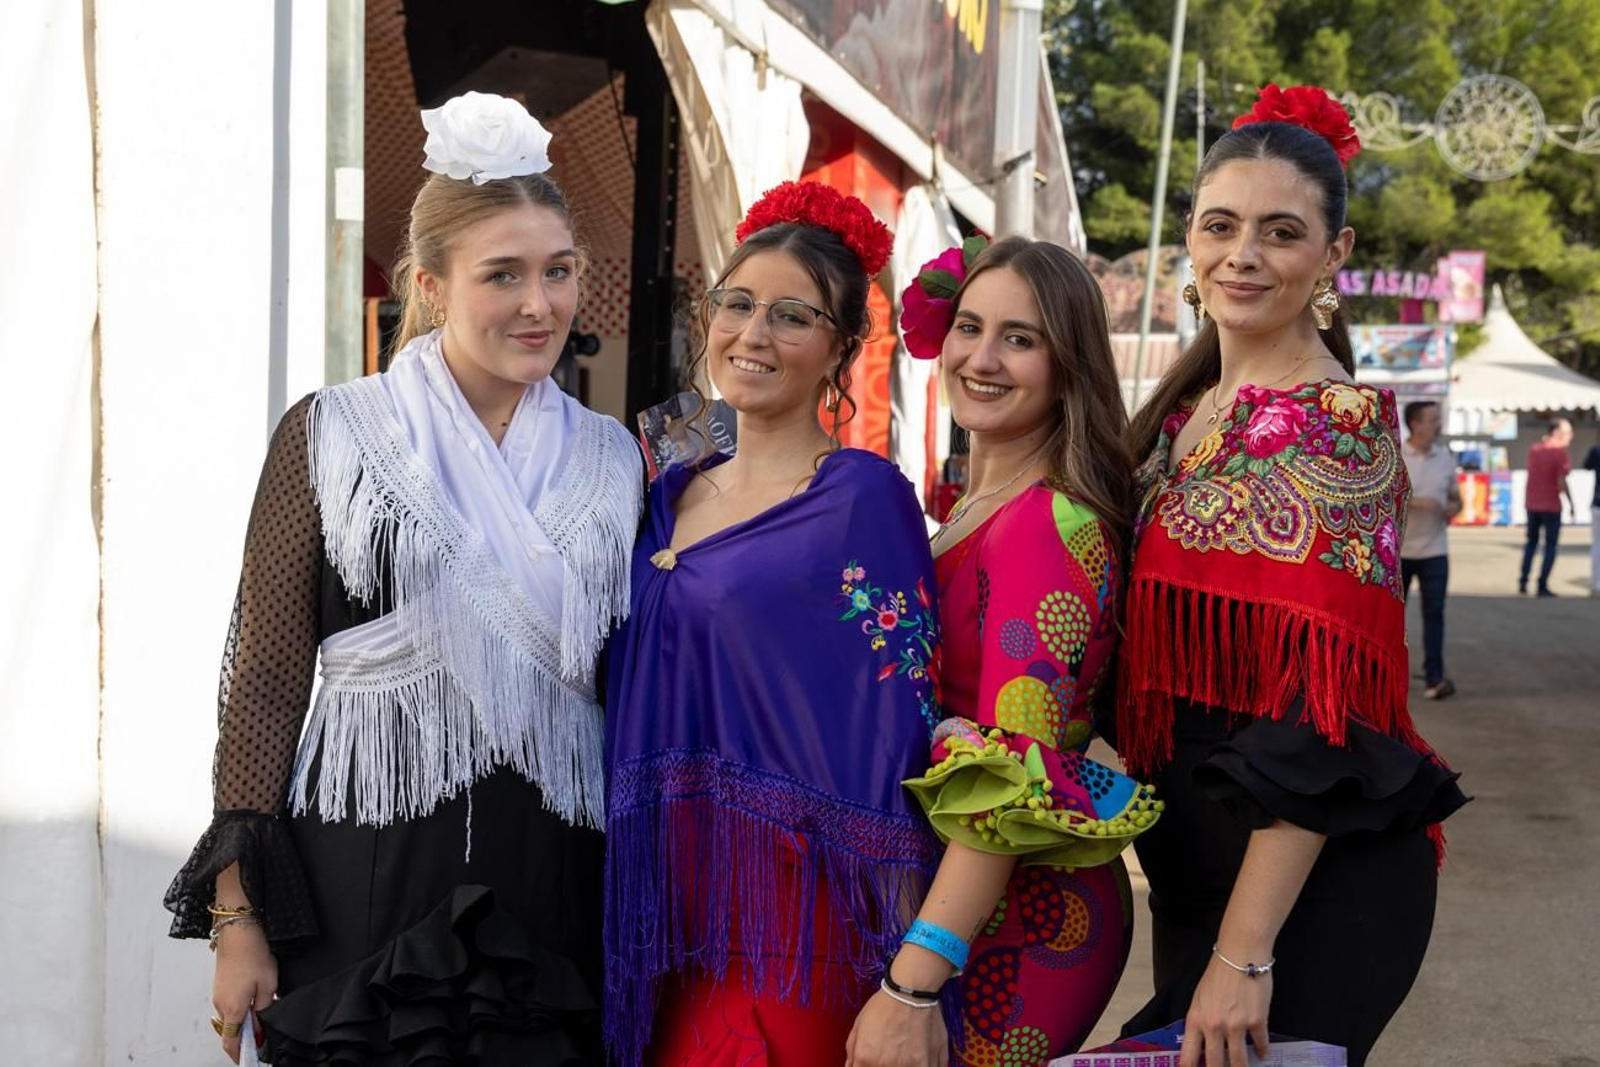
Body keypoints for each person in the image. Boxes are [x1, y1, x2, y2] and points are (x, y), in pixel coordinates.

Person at [163, 93, 644, 1065]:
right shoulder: (329, 433)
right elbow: (262, 681)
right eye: (501, 274)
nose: (539, 304)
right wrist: (238, 920)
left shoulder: (614, 458)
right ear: (431, 282)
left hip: (551, 892)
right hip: (360, 893)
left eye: (558, 272)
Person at [1115, 86, 1467, 1067]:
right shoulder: (1185, 415)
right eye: (1221, 225)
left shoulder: (1336, 423)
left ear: (1333, 255)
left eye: (1280, 231)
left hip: (1303, 896)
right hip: (1201, 880)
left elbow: (1320, 710)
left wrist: (1244, 949)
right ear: (1188, 236)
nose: (1243, 254)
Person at [603, 181, 950, 1067]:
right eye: (739, 305)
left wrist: (912, 972)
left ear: (840, 349)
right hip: (657, 892)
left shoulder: (862, 497)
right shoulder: (665, 479)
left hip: (791, 909)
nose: (754, 335)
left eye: (792, 317)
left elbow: (895, 722)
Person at [897, 236, 1159, 1065]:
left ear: (1068, 360)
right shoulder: (980, 508)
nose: (982, 356)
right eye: (970, 327)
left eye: (1020, 337)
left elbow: (1012, 784)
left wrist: (912, 982)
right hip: (969, 901)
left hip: (1023, 918)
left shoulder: (1047, 525)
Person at [1399, 401, 1462, 699]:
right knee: (1392, 618)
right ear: (1415, 423)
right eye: (1433, 419)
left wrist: (1452, 507)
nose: (1439, 424)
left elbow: (1456, 499)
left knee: (1434, 613)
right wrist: (1417, 502)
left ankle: (1435, 677)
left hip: (1435, 550)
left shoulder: (1445, 458)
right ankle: (1385, 678)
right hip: (1397, 552)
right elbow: (1383, 493)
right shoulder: (1396, 455)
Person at [1521, 417, 1575, 596]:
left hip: (1532, 503)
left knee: (1531, 543)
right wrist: (1571, 503)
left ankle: (1523, 579)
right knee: (1550, 546)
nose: (1571, 436)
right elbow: (1561, 481)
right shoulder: (1560, 453)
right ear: (1558, 433)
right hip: (1551, 505)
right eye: (1568, 433)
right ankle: (1542, 583)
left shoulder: (1534, 450)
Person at [1585, 429, 1600, 596]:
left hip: (1597, 502)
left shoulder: (1596, 450)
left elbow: (1587, 465)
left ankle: (1596, 583)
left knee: (1597, 545)